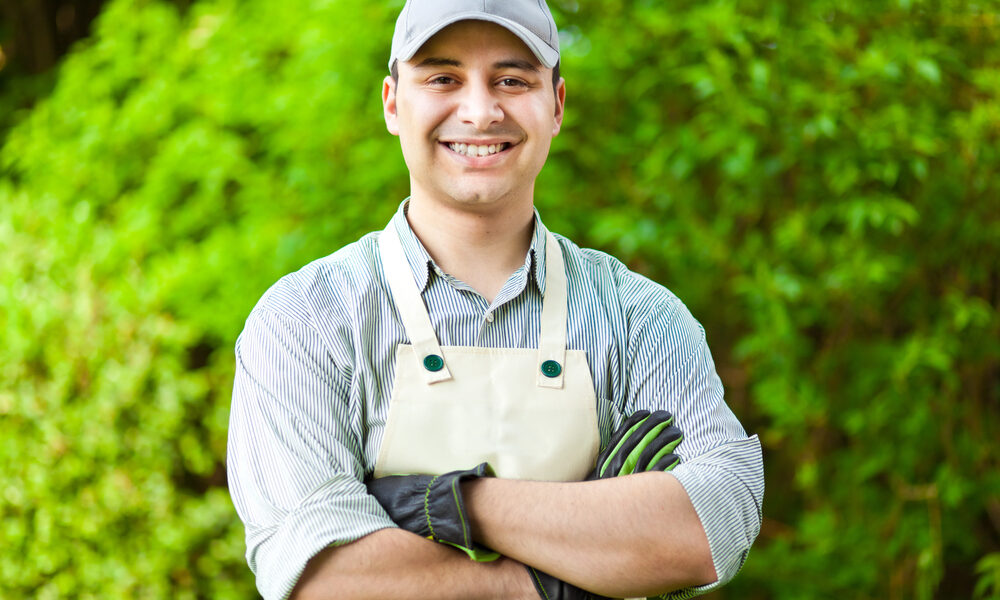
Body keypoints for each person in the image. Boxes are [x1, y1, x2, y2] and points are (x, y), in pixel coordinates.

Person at [226, 1, 765, 599]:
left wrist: (462, 505)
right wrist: (554, 579)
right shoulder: (305, 320)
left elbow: (711, 526)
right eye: (442, 78)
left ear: (556, 105)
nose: (481, 111)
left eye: (512, 79)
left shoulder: (643, 320)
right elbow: (324, 581)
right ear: (392, 103)